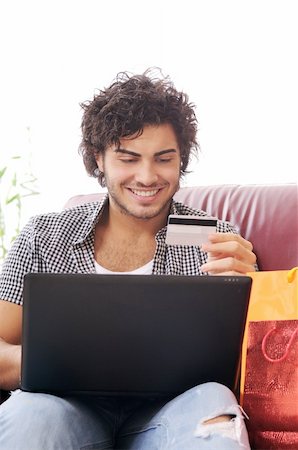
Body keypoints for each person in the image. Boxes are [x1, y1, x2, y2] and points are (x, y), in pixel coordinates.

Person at [0, 69, 256, 449]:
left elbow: (256, 368)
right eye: (128, 158)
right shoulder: (45, 236)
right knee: (29, 413)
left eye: (164, 159)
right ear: (98, 159)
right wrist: (66, 362)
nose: (147, 176)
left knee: (216, 407)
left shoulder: (214, 237)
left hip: (172, 413)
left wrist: (256, 289)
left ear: (181, 160)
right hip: (66, 409)